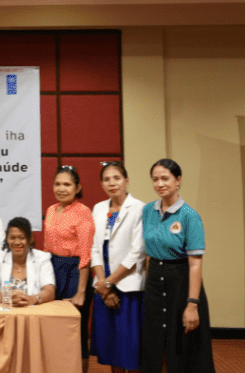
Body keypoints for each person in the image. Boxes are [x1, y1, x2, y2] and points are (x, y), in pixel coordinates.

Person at [141, 159, 215, 373]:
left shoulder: (189, 216)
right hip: (155, 282)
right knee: (154, 345)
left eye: (165, 178)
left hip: (181, 283)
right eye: (155, 179)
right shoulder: (147, 211)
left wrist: (192, 304)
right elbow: (148, 253)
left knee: (183, 346)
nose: (160, 184)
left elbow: (195, 264)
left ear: (178, 180)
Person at [90, 162, 146, 373]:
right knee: (111, 348)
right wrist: (104, 287)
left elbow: (137, 252)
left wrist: (108, 283)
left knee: (130, 348)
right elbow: (94, 248)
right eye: (106, 179)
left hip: (128, 287)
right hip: (103, 288)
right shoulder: (99, 208)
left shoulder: (139, 208)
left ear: (126, 181)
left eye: (116, 178)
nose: (112, 183)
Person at [44, 165, 95, 362]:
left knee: (76, 330)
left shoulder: (83, 212)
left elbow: (86, 255)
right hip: (52, 270)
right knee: (52, 327)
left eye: (67, 184)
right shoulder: (51, 210)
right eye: (58, 184)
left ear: (78, 187)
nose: (61, 188)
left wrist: (81, 292)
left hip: (76, 272)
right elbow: (47, 247)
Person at [0, 217, 56, 306]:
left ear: (30, 239)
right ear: (7, 239)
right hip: (4, 311)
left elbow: (49, 291)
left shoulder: (42, 258)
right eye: (12, 238)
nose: (17, 242)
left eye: (21, 238)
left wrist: (34, 299)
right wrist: (6, 298)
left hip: (33, 313)